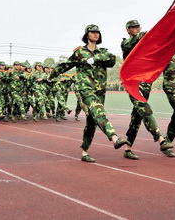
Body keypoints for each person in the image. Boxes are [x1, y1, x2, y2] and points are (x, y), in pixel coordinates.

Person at [49, 24, 128, 163]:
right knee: (99, 112)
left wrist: (96, 59)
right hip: (85, 88)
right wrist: (51, 75)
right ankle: (114, 137)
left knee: (92, 121)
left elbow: (112, 60)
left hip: (100, 90)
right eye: (92, 32)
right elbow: (66, 65)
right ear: (87, 35)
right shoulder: (80, 52)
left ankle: (85, 152)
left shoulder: (103, 52)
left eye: (97, 32)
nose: (96, 34)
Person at [120, 20, 174, 159]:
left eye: (138, 27)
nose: (137, 29)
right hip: (133, 83)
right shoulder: (126, 43)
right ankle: (161, 139)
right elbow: (138, 40)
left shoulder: (146, 45)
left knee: (137, 115)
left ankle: (128, 149)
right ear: (128, 30)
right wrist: (151, 33)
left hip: (145, 83)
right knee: (145, 109)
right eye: (134, 27)